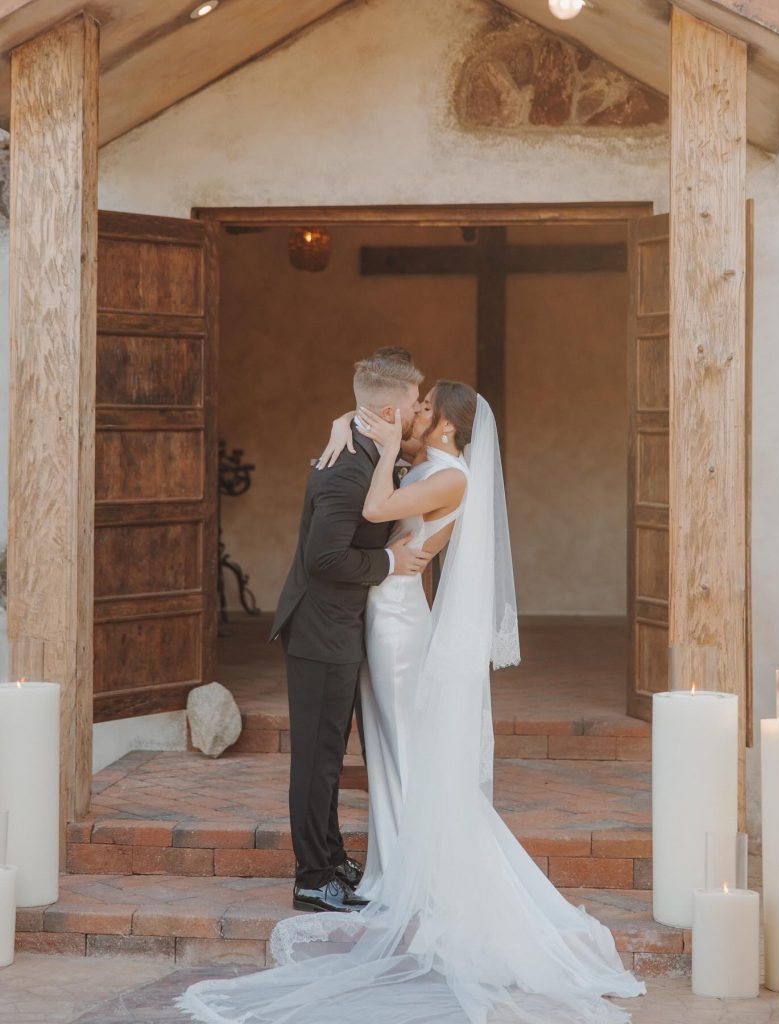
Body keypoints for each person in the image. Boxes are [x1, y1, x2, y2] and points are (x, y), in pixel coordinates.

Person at [179, 381, 646, 1024]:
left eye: (425, 408)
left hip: (398, 624)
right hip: (380, 613)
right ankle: (395, 862)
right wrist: (350, 423)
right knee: (388, 745)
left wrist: (385, 444)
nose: (416, 412)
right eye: (414, 403)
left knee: (402, 744)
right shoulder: (428, 462)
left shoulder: (448, 476)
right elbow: (373, 443)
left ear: (449, 429)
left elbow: (375, 512)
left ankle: (407, 873)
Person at [267, 355, 432, 914]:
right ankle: (313, 876)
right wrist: (390, 560)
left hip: (338, 627)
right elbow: (325, 557)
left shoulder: (364, 448)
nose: (416, 413)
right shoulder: (349, 467)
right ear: (389, 409)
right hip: (320, 630)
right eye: (413, 404)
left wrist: (348, 419)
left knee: (330, 755)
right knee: (317, 759)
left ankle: (333, 858)